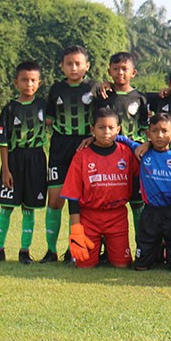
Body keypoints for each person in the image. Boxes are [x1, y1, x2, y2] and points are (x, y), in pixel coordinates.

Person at [0, 60, 48, 264]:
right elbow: (3, 142)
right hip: (14, 159)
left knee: (29, 209)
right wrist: (6, 170)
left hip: (36, 159)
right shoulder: (9, 109)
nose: (29, 84)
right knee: (6, 207)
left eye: (33, 80)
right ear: (16, 83)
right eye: (24, 80)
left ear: (39, 82)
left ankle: (24, 252)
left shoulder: (44, 106)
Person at [60, 107, 138, 269]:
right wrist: (76, 231)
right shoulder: (82, 155)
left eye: (111, 128)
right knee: (84, 265)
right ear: (92, 130)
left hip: (117, 216)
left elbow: (148, 161)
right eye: (101, 127)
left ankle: (111, 251)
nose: (106, 132)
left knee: (122, 265)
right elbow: (72, 195)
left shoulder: (127, 153)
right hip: (89, 217)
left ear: (118, 129)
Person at [42, 45, 96, 263]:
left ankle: (72, 249)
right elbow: (48, 118)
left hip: (84, 146)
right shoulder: (55, 89)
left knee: (79, 202)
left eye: (78, 63)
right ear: (62, 66)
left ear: (87, 66)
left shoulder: (95, 88)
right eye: (69, 64)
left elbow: (104, 118)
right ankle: (50, 250)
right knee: (55, 201)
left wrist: (93, 137)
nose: (74, 68)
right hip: (59, 148)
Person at [126, 113, 171, 271]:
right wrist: (93, 138)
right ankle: (151, 255)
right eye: (154, 131)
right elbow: (123, 139)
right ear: (148, 134)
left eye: (164, 131)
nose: (159, 135)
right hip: (151, 210)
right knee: (142, 263)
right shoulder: (143, 152)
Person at [96, 51, 149, 230]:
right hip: (107, 155)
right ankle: (106, 250)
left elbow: (145, 127)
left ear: (133, 73)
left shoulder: (140, 98)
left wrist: (147, 144)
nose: (120, 73)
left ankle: (142, 248)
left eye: (124, 69)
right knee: (108, 203)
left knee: (137, 202)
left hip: (133, 155)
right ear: (109, 71)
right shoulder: (103, 95)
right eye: (116, 69)